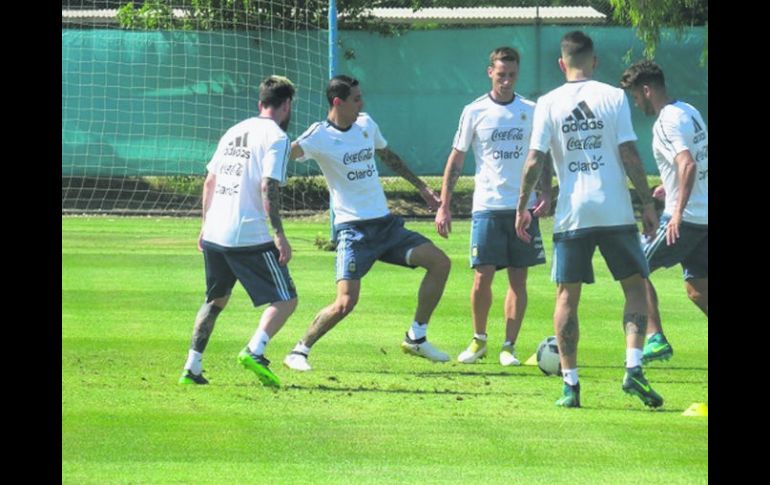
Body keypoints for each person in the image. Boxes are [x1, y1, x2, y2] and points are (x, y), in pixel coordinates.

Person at [515, 31, 663, 408]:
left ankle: (571, 385)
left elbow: (534, 159)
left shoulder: (547, 103)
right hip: (613, 210)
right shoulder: (613, 97)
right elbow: (629, 153)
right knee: (634, 286)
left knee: (567, 296)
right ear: (594, 61)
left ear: (561, 64)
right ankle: (632, 368)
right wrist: (646, 202)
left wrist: (523, 205)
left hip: (573, 213)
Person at [283, 74, 452, 371]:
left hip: (386, 227)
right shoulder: (318, 136)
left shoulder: (365, 124)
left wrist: (422, 188)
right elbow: (286, 153)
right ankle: (299, 351)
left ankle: (417, 336)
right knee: (345, 303)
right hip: (354, 232)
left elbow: (389, 156)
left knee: (440, 262)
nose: (362, 103)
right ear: (338, 102)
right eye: (356, 99)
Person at [179, 75, 298, 388]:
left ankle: (191, 367)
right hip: (248, 233)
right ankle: (254, 351)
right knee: (286, 300)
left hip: (216, 232)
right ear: (286, 105)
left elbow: (209, 181)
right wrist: (279, 233)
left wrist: (205, 226)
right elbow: (268, 185)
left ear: (260, 103)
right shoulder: (277, 137)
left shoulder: (235, 130)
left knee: (215, 299)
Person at [435, 46, 550, 366]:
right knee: (482, 276)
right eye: (501, 75)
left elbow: (541, 154)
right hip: (486, 206)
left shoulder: (531, 109)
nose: (507, 81)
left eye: (512, 75)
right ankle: (479, 340)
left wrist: (546, 192)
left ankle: (508, 347)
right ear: (490, 73)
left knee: (518, 279)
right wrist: (444, 205)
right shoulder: (474, 111)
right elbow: (456, 158)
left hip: (522, 208)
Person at [620, 60, 708, 363]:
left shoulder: (667, 121)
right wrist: (668, 188)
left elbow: (688, 164)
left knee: (633, 268)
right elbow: (696, 161)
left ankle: (655, 338)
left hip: (687, 219)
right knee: (697, 288)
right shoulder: (689, 111)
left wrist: (679, 212)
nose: (635, 102)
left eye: (635, 96)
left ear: (646, 90)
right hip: (704, 216)